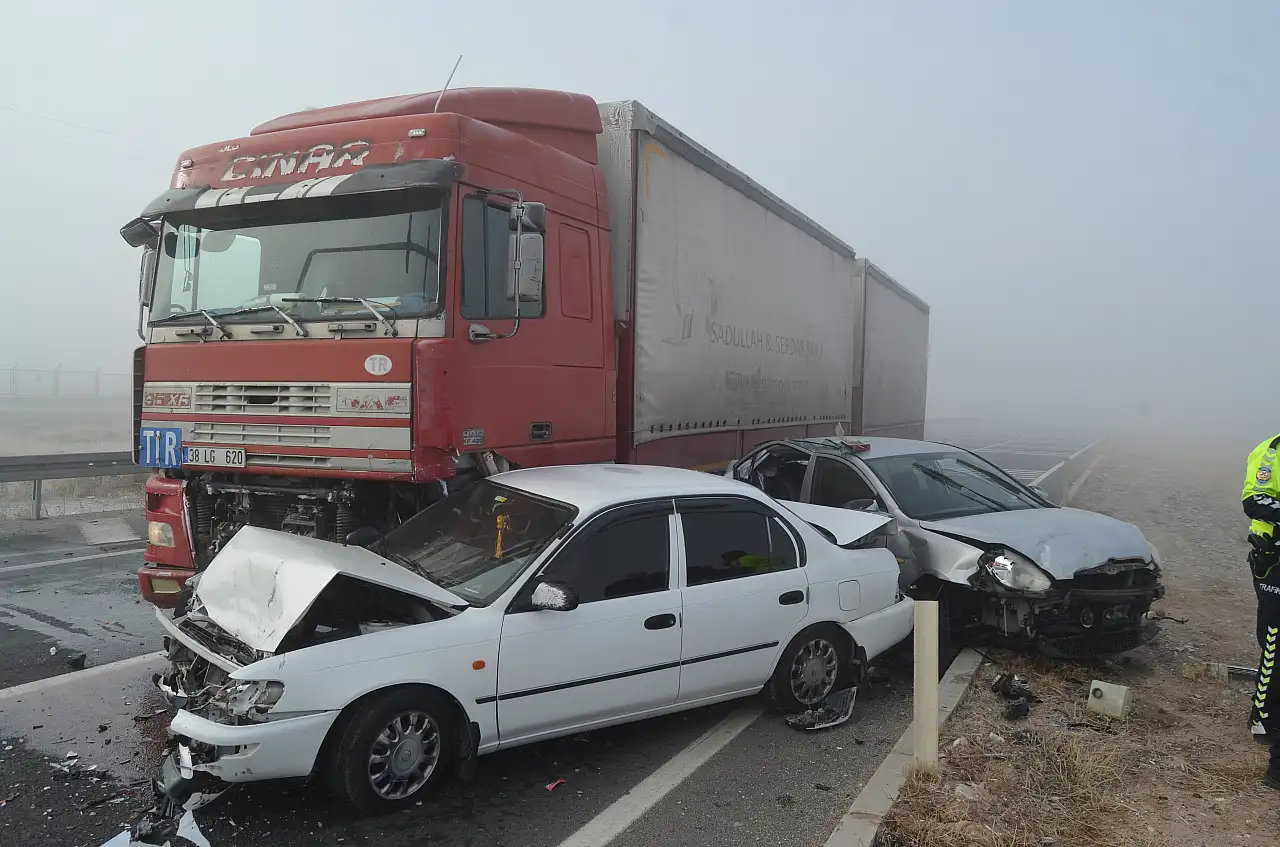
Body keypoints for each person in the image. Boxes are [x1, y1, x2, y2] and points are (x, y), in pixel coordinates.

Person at [1242, 433, 1280, 789]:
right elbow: (1255, 500)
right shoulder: (1272, 451)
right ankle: (1264, 721)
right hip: (1274, 559)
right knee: (1273, 641)